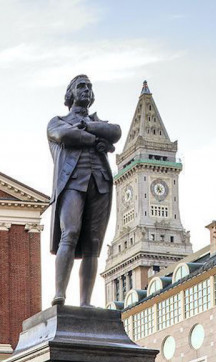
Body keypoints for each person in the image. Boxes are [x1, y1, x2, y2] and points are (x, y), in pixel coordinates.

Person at [47, 74, 121, 307]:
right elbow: (64, 135)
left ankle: (85, 302)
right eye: (81, 86)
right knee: (69, 233)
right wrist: (96, 137)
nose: (86, 90)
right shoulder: (57, 121)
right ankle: (60, 293)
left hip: (99, 181)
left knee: (94, 242)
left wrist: (89, 126)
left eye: (89, 87)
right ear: (70, 94)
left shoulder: (98, 122)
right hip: (72, 182)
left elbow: (116, 132)